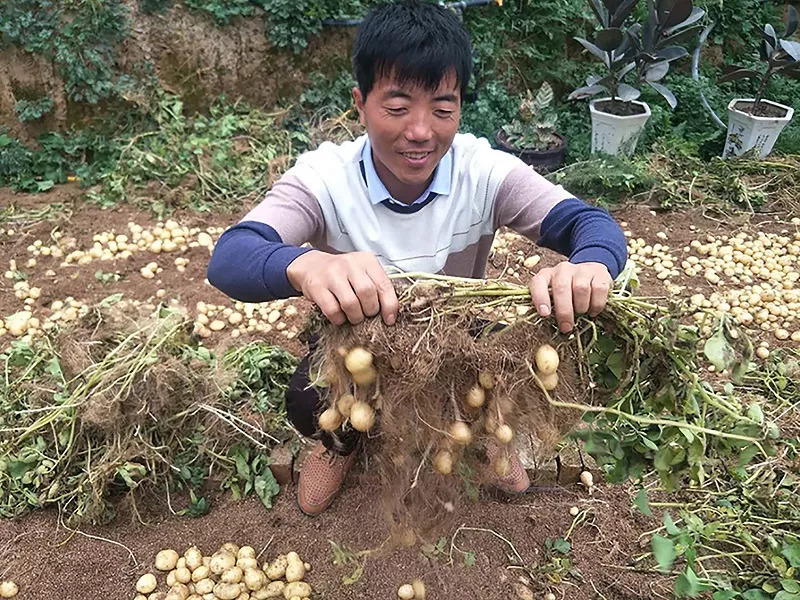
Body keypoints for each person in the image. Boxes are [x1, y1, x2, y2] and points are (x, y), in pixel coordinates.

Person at [207, 0, 627, 516]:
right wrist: (307, 265)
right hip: (355, 345)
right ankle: (341, 443)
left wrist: (591, 263)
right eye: (398, 106)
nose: (422, 131)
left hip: (453, 341)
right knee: (307, 398)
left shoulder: (485, 173)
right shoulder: (324, 180)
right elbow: (231, 256)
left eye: (443, 108)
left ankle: (486, 434)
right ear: (360, 105)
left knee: (506, 372)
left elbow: (590, 223)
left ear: (459, 111)